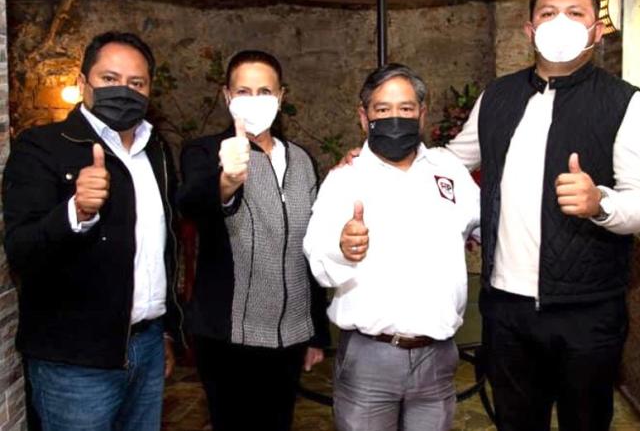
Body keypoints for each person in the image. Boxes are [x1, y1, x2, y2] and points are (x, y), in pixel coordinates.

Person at [440, 0, 640, 428]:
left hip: (587, 310)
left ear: (597, 30)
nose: (561, 22)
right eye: (548, 13)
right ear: (529, 29)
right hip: (506, 307)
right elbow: (448, 163)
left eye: (576, 13)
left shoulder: (625, 102)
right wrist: (379, 161)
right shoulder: (497, 96)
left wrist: (599, 202)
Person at [3, 31, 180, 431]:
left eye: (136, 83)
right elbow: (21, 249)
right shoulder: (42, 148)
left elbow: (161, 251)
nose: (124, 91)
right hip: (75, 362)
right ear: (83, 82)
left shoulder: (156, 150)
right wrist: (76, 211)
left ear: (149, 90)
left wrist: (165, 333)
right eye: (109, 79)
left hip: (147, 347)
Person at [304, 63, 480, 431]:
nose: (395, 118)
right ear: (364, 117)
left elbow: (489, 225)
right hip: (370, 357)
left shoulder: (449, 171)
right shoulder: (344, 179)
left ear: (421, 113)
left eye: (406, 108)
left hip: (438, 356)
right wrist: (343, 248)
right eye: (383, 109)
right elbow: (317, 257)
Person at [176, 50, 330, 431]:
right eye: (243, 91)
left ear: (281, 97)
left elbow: (311, 247)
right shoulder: (205, 152)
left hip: (291, 335)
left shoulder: (302, 160)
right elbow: (192, 203)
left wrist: (316, 333)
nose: (254, 99)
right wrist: (226, 180)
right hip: (227, 336)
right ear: (227, 96)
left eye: (265, 91)